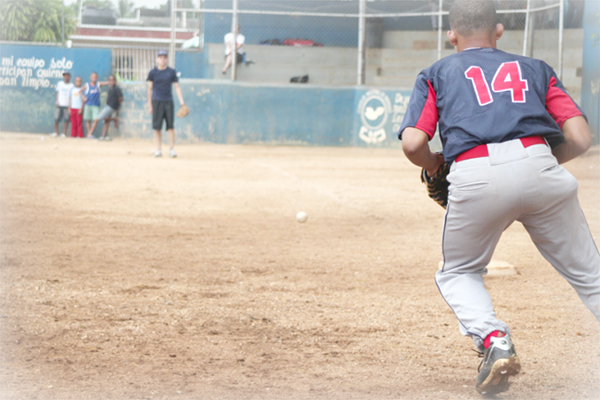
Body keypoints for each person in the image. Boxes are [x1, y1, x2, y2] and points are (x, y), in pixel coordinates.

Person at [398, 0, 599, 395]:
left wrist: (437, 166)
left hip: (474, 174)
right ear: (499, 31)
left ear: (452, 35)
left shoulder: (437, 73)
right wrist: (538, 161)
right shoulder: (536, 68)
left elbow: (412, 144)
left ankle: (494, 340)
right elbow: (580, 139)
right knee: (591, 276)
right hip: (542, 165)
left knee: (457, 272)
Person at [147, 50, 186, 158]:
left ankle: (172, 149)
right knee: (157, 127)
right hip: (156, 102)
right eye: (160, 57)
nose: (162, 59)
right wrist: (150, 105)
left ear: (167, 59)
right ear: (157, 59)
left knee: (170, 126)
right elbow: (150, 89)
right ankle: (158, 149)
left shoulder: (171, 72)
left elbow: (177, 87)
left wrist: (182, 102)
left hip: (168, 101)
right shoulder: (152, 73)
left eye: (164, 57)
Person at [89, 75, 123, 141]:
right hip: (108, 105)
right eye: (110, 80)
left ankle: (90, 134)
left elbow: (120, 98)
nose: (111, 82)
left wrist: (116, 106)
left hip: (111, 106)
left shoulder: (117, 88)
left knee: (97, 118)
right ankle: (103, 136)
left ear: (115, 81)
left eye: (113, 80)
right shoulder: (111, 88)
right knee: (106, 121)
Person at [53, 71, 74, 138]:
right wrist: (57, 101)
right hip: (59, 104)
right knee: (56, 119)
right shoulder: (60, 84)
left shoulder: (72, 86)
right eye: (65, 76)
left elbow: (71, 96)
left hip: (67, 105)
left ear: (70, 77)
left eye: (67, 75)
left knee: (66, 119)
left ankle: (64, 133)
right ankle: (56, 133)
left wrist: (70, 105)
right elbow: (57, 92)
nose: (66, 77)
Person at [81, 72, 101, 138]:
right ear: (90, 77)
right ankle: (89, 134)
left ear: (97, 78)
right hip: (88, 104)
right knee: (88, 119)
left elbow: (107, 82)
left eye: (95, 77)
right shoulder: (87, 85)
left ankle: (90, 133)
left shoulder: (98, 84)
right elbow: (80, 91)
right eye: (93, 77)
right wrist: (83, 97)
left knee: (96, 119)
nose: (94, 78)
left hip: (96, 105)